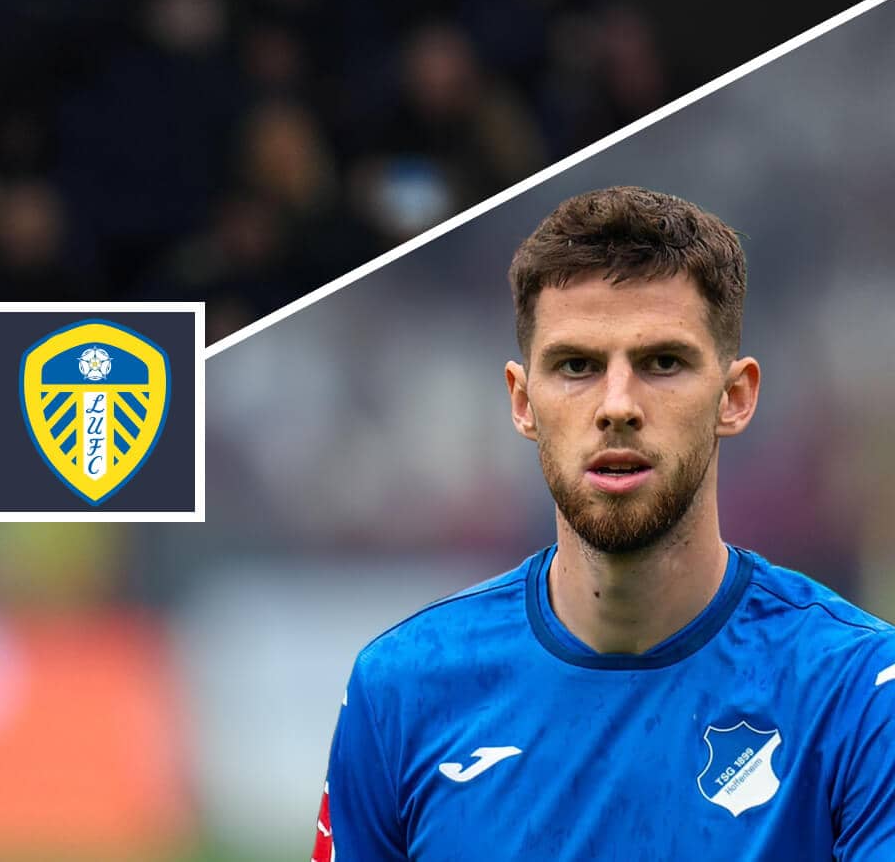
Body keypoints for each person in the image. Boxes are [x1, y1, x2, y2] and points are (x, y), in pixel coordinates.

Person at [313, 186, 895, 860]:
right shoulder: (401, 691)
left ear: (734, 398)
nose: (618, 405)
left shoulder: (860, 689)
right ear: (523, 401)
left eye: (662, 363)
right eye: (577, 367)